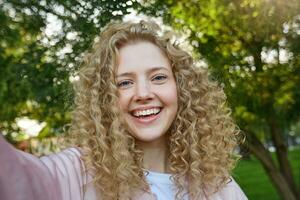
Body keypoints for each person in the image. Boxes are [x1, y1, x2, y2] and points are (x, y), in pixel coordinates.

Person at [0, 20, 247, 200]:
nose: (142, 94)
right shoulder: (76, 173)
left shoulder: (216, 185)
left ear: (181, 88)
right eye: (124, 83)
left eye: (158, 77)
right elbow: (18, 179)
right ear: (105, 97)